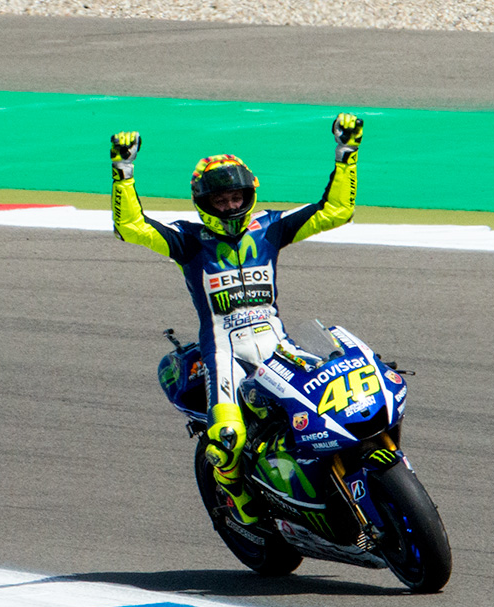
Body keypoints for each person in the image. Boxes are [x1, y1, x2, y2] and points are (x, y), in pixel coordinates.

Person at [110, 114, 364, 525]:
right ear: (203, 204)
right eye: (220, 201)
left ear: (250, 194)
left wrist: (346, 153)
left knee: (336, 403)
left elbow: (336, 211)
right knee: (227, 437)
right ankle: (235, 495)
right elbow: (130, 226)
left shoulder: (270, 228)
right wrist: (123, 171)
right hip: (224, 355)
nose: (229, 206)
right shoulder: (188, 240)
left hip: (278, 346)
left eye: (236, 197)